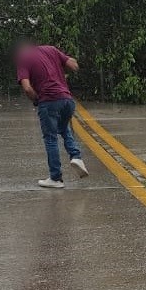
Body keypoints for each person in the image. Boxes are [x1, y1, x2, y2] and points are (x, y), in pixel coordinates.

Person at [15, 40, 90, 189]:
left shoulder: (23, 59)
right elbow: (73, 65)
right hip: (67, 100)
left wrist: (37, 100)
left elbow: (27, 88)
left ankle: (56, 178)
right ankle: (76, 157)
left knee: (50, 138)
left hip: (49, 101)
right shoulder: (50, 49)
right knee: (64, 128)